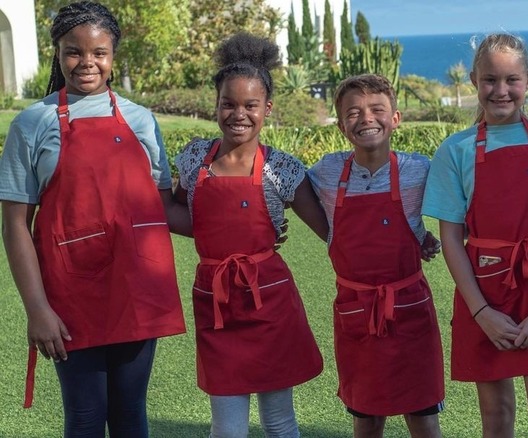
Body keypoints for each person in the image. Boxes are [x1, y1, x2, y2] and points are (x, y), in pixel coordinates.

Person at [0, 1, 186, 436]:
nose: (87, 63)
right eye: (73, 51)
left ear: (113, 55)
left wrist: (245, 222)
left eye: (98, 52)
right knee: (84, 415)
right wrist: (37, 309)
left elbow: (161, 207)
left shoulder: (140, 119)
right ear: (58, 53)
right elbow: (14, 226)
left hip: (137, 283)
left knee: (129, 413)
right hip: (70, 291)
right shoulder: (32, 123)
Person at [422, 33, 528, 437]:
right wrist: (482, 313)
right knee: (496, 418)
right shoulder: (455, 150)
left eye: (511, 80)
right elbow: (451, 240)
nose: (501, 91)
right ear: (473, 80)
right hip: (484, 291)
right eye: (490, 80)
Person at [172, 32, 326, 438]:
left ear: (267, 109)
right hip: (216, 303)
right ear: (216, 105)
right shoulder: (193, 159)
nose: (238, 114)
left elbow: (331, 230)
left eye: (250, 105)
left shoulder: (283, 169)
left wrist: (409, 238)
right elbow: (184, 214)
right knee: (227, 430)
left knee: (279, 423)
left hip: (270, 303)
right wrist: (127, 201)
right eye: (228, 103)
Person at [307, 74, 445, 438]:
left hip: (410, 309)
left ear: (396, 118)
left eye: (377, 110)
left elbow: (470, 181)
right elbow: (283, 187)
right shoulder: (326, 172)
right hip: (356, 312)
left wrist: (422, 236)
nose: (366, 118)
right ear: (341, 126)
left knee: (423, 415)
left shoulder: (419, 169)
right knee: (366, 418)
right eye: (353, 112)